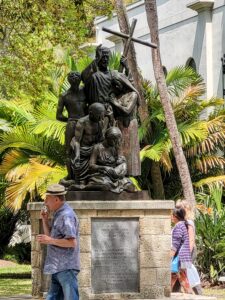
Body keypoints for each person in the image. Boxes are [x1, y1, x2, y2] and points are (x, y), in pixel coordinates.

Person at [37, 184, 80, 300]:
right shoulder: (59, 214)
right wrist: (45, 221)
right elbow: (50, 238)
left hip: (66, 268)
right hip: (57, 267)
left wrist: (50, 240)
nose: (45, 202)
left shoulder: (66, 216)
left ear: (56, 199)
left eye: (47, 199)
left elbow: (72, 242)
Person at [109, 72, 141, 176]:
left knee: (129, 152)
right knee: (119, 151)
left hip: (129, 126)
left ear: (123, 83)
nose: (115, 86)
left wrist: (114, 103)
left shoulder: (133, 94)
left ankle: (129, 174)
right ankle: (119, 174)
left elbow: (127, 110)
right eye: (114, 84)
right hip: (118, 125)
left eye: (117, 83)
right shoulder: (118, 95)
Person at [85, 126, 135, 193]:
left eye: (117, 140)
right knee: (105, 186)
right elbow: (91, 165)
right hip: (101, 175)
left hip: (113, 174)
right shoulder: (97, 148)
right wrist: (104, 168)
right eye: (114, 140)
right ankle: (114, 185)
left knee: (130, 185)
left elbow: (116, 162)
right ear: (107, 138)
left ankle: (118, 183)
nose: (116, 142)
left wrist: (120, 161)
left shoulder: (113, 148)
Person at [56, 71, 87, 179]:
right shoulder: (64, 96)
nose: (74, 78)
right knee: (69, 150)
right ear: (69, 80)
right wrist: (70, 120)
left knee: (86, 147)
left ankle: (83, 175)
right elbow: (58, 116)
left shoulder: (85, 91)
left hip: (84, 123)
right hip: (73, 123)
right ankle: (70, 175)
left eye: (76, 76)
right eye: (72, 77)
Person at [70, 102, 106, 186]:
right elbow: (77, 141)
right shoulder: (82, 122)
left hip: (94, 149)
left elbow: (101, 139)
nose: (102, 118)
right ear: (91, 114)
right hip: (83, 150)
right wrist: (77, 155)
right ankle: (80, 181)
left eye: (102, 115)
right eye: (99, 115)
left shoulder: (100, 122)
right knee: (81, 180)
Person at [176, 199, 202, 295]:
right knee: (179, 271)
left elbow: (191, 240)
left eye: (179, 208)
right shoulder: (183, 222)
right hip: (183, 251)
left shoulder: (189, 222)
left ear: (185, 210)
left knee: (188, 272)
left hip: (188, 251)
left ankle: (198, 293)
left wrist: (187, 253)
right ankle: (176, 292)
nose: (176, 210)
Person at [171, 207, 193, 294]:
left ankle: (164, 293)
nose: (171, 217)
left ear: (175, 216)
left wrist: (170, 255)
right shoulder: (183, 224)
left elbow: (176, 243)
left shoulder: (179, 225)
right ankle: (165, 293)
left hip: (179, 257)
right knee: (177, 275)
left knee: (176, 274)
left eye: (171, 215)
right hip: (182, 256)